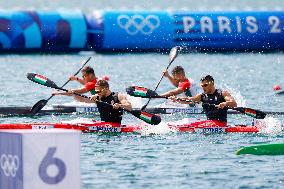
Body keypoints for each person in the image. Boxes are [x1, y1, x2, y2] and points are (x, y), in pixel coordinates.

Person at [169, 75, 237, 126]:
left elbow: (234, 103)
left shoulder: (222, 93)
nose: (203, 87)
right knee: (188, 123)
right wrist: (177, 99)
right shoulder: (202, 96)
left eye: (205, 85)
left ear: (212, 84)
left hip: (221, 124)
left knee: (192, 125)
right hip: (210, 123)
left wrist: (225, 103)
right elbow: (189, 100)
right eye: (202, 85)